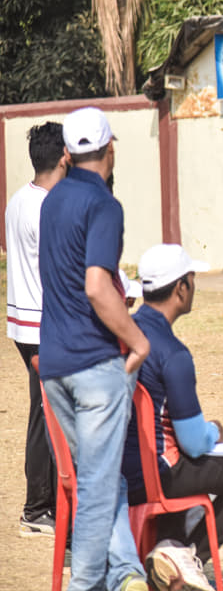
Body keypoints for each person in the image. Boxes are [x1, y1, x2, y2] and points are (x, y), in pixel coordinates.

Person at [38, 107, 151, 591]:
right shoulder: (104, 204)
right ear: (110, 150)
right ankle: (88, 584)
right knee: (97, 490)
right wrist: (138, 338)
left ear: (66, 154)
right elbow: (98, 288)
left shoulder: (50, 199)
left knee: (101, 481)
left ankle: (126, 573)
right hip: (93, 365)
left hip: (54, 366)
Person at [122, 244, 223, 590]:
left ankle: (169, 545)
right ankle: (189, 555)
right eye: (192, 278)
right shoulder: (173, 353)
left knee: (188, 464)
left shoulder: (126, 329)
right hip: (153, 475)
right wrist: (214, 433)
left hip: (116, 469)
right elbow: (192, 442)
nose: (194, 286)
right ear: (180, 288)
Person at [7, 121, 67, 537]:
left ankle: (41, 504)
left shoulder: (18, 200)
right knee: (46, 415)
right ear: (64, 157)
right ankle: (37, 507)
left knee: (43, 412)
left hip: (22, 321)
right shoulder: (49, 206)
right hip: (40, 323)